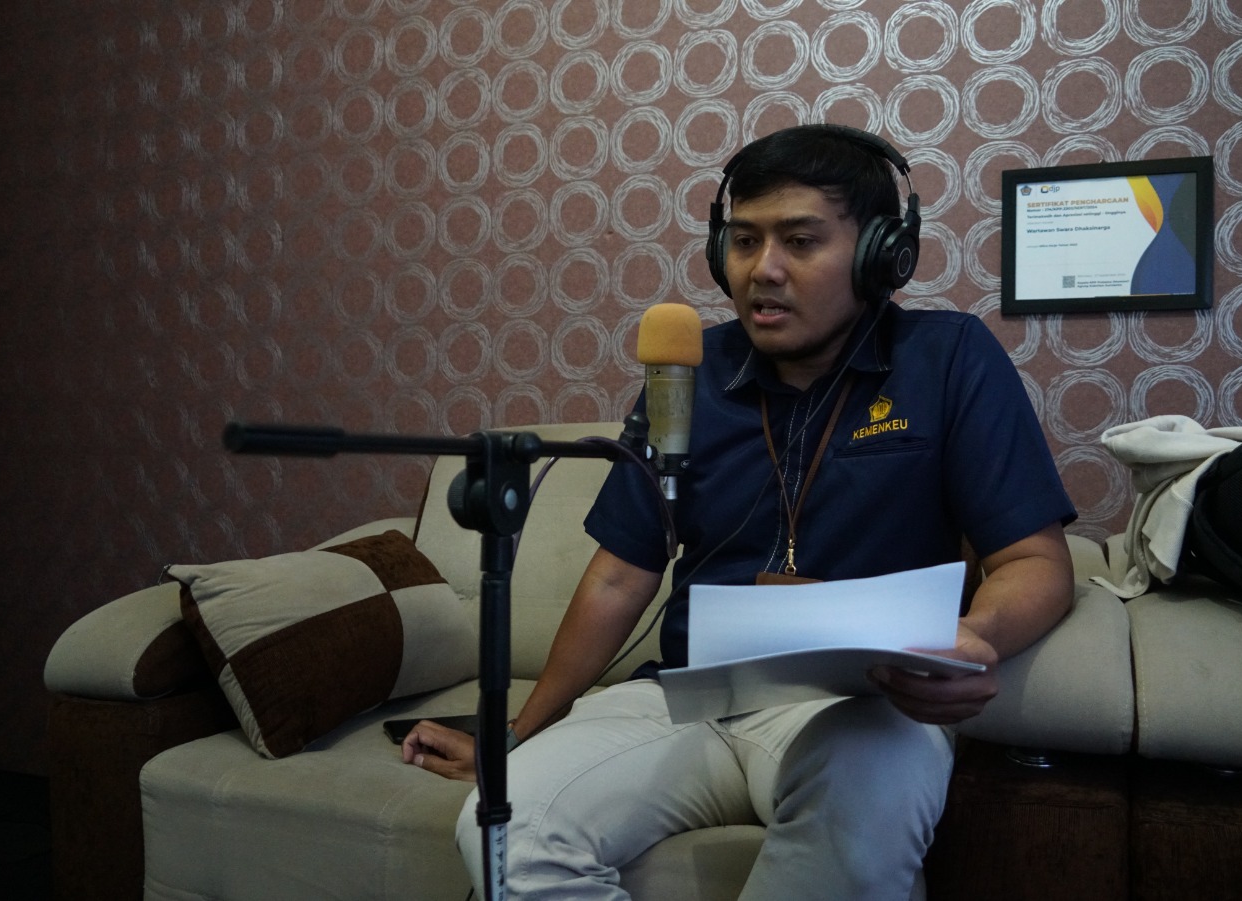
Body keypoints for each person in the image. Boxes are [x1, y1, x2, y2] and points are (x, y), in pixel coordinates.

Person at [402, 124, 1077, 900]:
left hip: (858, 706)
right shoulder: (687, 375)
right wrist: (518, 733)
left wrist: (975, 638)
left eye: (800, 241)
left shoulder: (950, 357)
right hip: (683, 696)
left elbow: (1035, 562)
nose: (764, 269)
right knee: (504, 829)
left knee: (869, 806)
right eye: (745, 240)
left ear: (882, 253)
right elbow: (619, 577)